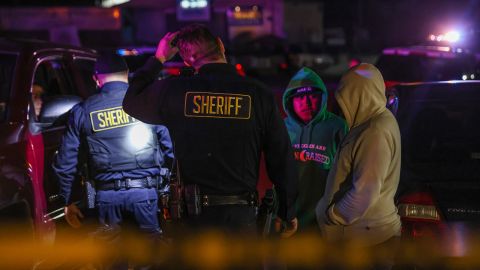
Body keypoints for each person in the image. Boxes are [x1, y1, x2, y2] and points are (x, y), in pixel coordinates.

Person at [123, 24, 298, 237]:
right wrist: (287, 212)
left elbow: (132, 101)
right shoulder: (258, 94)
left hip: (193, 221)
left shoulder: (175, 91)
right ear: (221, 46)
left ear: (188, 60)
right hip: (241, 219)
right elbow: (281, 157)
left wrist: (158, 59)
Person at [52, 53, 174, 265]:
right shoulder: (146, 103)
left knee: (113, 262)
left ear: (96, 79)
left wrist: (67, 200)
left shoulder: (83, 110)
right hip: (146, 196)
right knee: (150, 259)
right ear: (127, 75)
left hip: (107, 199)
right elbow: (171, 150)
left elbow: (65, 163)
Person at [315, 63, 401, 269]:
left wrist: (332, 216)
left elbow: (364, 193)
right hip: (364, 237)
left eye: (347, 99)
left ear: (360, 96)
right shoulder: (374, 122)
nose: (343, 107)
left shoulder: (374, 132)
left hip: (365, 242)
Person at [282, 67, 347, 232]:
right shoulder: (281, 128)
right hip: (288, 218)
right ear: (290, 101)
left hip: (324, 220)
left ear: (322, 97)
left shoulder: (337, 126)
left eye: (313, 96)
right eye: (300, 98)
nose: (307, 103)